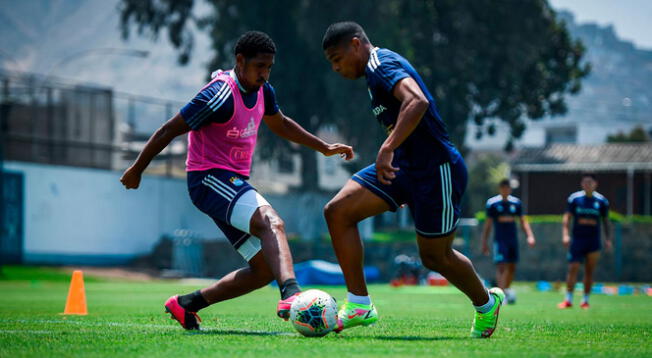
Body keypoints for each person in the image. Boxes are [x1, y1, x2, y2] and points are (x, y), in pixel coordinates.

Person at [120, 31, 353, 330]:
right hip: (208, 179)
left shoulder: (263, 90)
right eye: (259, 66)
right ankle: (291, 294)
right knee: (272, 222)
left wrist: (323, 147)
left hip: (232, 183)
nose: (265, 74)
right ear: (240, 61)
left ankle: (186, 304)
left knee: (263, 269)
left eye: (269, 67)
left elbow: (279, 123)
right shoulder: (218, 95)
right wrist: (137, 168)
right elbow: (169, 130)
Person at [321, 21, 504, 338]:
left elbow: (417, 101)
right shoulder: (372, 76)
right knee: (338, 211)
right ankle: (360, 303)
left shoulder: (382, 64)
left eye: (337, 58)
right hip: (403, 167)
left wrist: (387, 147)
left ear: (355, 44)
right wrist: (393, 151)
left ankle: (487, 303)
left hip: (436, 170)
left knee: (436, 257)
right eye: (331, 63)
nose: (336, 68)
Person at [558, 173, 611, 309]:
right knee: (573, 268)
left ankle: (585, 300)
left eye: (590, 182)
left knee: (589, 271)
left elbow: (606, 221)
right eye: (585, 182)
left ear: (595, 184)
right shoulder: (575, 199)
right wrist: (565, 234)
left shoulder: (601, 201)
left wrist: (608, 239)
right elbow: (567, 218)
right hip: (577, 240)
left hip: (593, 241)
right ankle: (568, 299)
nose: (587, 184)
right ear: (582, 184)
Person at [481, 179, 536, 304]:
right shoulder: (492, 203)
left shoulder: (516, 203)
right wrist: (484, 242)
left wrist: (530, 236)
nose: (505, 190)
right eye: (503, 188)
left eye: (508, 188)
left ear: (510, 189)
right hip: (500, 241)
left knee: (511, 267)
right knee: (501, 266)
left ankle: (506, 290)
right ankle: (501, 296)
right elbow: (488, 224)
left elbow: (523, 221)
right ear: (500, 189)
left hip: (512, 241)